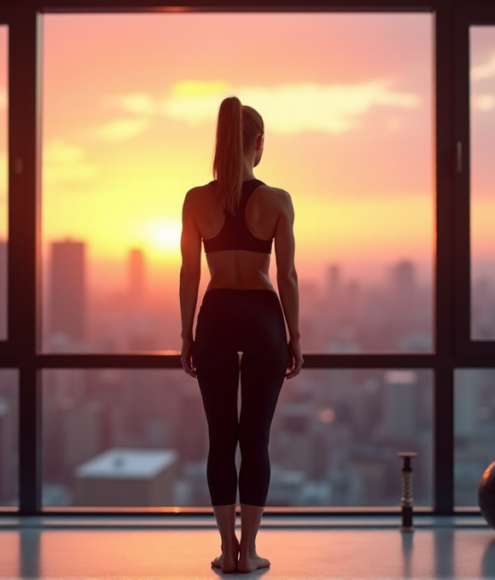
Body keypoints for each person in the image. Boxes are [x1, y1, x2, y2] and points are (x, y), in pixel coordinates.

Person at [179, 96, 303, 573]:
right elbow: (287, 277)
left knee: (219, 438)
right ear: (258, 144)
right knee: (255, 439)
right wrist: (295, 336)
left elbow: (190, 274)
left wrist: (187, 335)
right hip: (262, 317)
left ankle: (226, 548)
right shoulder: (278, 201)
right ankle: (248, 551)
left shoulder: (196, 200)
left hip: (214, 316)